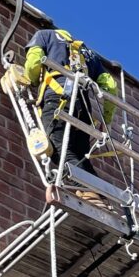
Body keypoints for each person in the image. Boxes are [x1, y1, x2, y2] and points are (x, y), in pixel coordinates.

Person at [18, 28, 119, 207]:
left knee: (57, 149)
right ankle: (98, 197)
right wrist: (107, 121)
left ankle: (90, 193)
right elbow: (110, 87)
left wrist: (30, 79)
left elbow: (33, 63)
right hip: (82, 107)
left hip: (58, 98)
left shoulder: (45, 35)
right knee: (79, 155)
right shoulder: (88, 53)